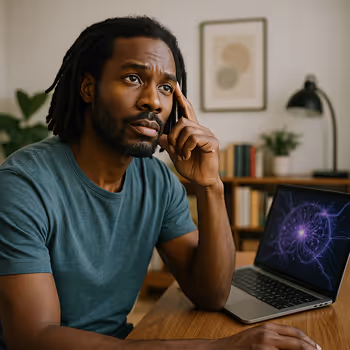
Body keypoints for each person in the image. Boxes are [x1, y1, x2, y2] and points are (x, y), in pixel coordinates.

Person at [0, 16, 321, 350]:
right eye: (133, 78)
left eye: (166, 87)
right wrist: (216, 348)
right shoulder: (23, 185)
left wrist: (210, 186)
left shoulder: (157, 180)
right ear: (88, 88)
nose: (153, 101)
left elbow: (210, 293)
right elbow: (33, 337)